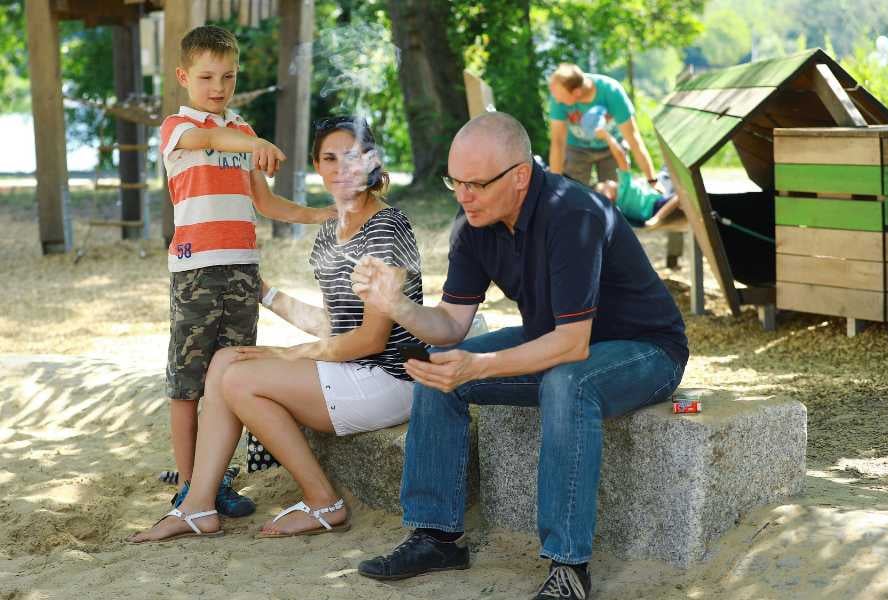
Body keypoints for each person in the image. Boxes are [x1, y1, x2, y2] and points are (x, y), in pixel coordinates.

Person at [352, 112, 688, 599]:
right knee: (438, 369)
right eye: (455, 182)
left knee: (567, 384)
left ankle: (569, 568)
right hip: (560, 343)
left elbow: (572, 345)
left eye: (475, 184)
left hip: (646, 351)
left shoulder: (571, 213)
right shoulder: (472, 223)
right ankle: (435, 536)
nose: (462, 195)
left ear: (520, 177)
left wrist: (481, 366)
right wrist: (395, 305)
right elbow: (450, 325)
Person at [126, 115, 425, 543]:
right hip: (353, 369)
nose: (341, 167)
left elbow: (371, 339)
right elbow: (334, 325)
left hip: (390, 377)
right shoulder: (330, 232)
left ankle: (324, 499)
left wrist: (283, 355)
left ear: (372, 161)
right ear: (316, 167)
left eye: (353, 156)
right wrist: (265, 294)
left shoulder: (386, 227)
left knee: (242, 376)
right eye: (329, 158)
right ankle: (198, 505)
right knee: (226, 359)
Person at [159, 25, 334, 519]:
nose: (218, 87)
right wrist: (245, 139)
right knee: (188, 382)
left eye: (228, 77)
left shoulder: (244, 133)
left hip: (242, 270)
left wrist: (317, 214)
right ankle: (190, 486)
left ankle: (219, 478)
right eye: (207, 76)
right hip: (196, 270)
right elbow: (210, 139)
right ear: (183, 76)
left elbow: (266, 202)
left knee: (230, 375)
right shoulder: (178, 127)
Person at [548, 62, 660, 189]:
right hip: (577, 149)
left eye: (561, 97)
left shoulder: (611, 92)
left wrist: (653, 180)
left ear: (577, 92)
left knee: (616, 196)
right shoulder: (558, 97)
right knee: (574, 194)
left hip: (611, 148)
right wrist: (554, 188)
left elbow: (633, 139)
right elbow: (557, 143)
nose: (557, 101)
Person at [593, 128, 680, 228]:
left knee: (666, 173)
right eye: (605, 184)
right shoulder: (623, 188)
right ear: (608, 195)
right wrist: (607, 136)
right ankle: (658, 217)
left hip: (651, 210)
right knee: (681, 196)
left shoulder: (620, 207)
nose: (607, 180)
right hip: (657, 205)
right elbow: (620, 157)